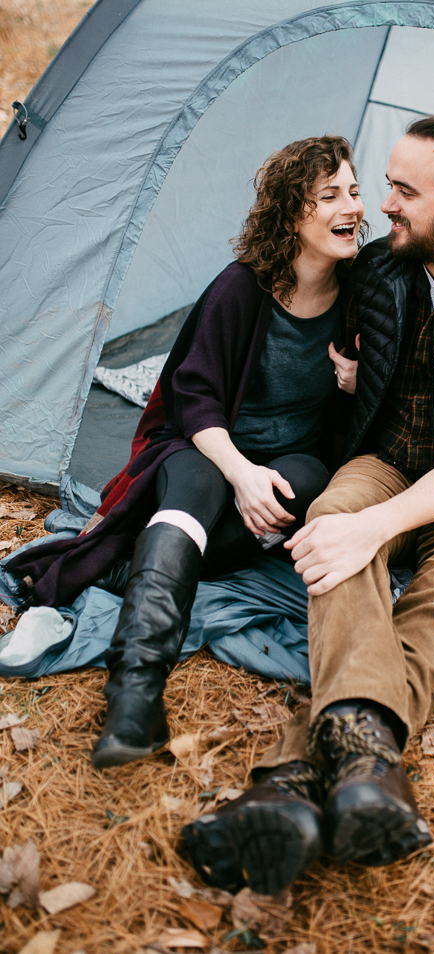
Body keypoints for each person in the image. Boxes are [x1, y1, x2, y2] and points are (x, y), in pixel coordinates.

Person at [182, 116, 434, 895]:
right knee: (332, 527)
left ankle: (290, 780)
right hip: (388, 459)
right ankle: (364, 766)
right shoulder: (380, 270)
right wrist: (344, 391)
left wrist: (375, 528)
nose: (380, 206)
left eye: (402, 191)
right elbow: (319, 326)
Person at [7, 134, 365, 772]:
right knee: (199, 483)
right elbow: (193, 397)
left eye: (355, 191)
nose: (353, 207)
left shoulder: (361, 296)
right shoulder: (242, 289)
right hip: (210, 447)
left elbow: (378, 399)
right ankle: (136, 696)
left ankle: (135, 564)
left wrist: (355, 382)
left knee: (306, 481)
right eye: (330, 195)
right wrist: (242, 473)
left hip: (293, 461)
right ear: (292, 214)